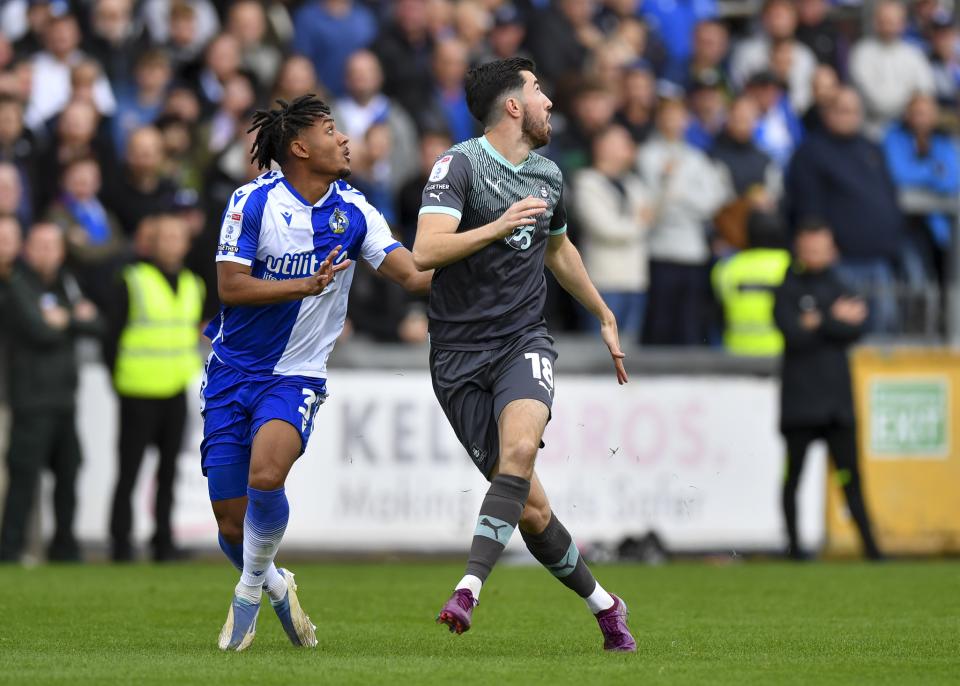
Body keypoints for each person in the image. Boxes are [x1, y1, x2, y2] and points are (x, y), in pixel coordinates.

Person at [414, 57, 635, 652]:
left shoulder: (549, 175)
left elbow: (558, 251)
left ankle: (468, 588)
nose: (549, 103)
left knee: (518, 448)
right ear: (513, 105)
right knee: (532, 509)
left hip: (521, 341)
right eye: (539, 91)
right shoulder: (456, 165)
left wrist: (603, 313)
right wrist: (497, 225)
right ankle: (607, 606)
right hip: (457, 354)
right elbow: (425, 251)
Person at [204, 94, 431, 651]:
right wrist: (300, 286)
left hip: (297, 375)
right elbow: (230, 286)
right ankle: (278, 584)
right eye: (333, 130)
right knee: (231, 524)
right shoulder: (251, 201)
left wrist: (490, 242)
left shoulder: (355, 211)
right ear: (301, 147)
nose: (346, 139)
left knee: (266, 474)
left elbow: (414, 276)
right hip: (232, 372)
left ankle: (249, 593)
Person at [773, 220, 883, 561]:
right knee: (795, 477)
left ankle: (872, 550)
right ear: (798, 248)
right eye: (808, 248)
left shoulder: (842, 284)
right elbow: (793, 333)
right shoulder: (787, 287)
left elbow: (858, 328)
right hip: (800, 402)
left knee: (850, 476)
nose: (814, 255)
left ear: (831, 249)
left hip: (837, 403)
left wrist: (817, 321)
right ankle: (793, 548)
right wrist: (833, 319)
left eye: (819, 248)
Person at [0, 223, 102, 563]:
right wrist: (72, 321)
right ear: (27, 249)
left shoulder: (66, 284)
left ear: (61, 251)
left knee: (69, 472)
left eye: (52, 246)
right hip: (31, 398)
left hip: (63, 398)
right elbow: (38, 330)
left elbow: (97, 325)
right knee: (24, 478)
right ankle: (10, 550)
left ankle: (65, 548)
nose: (46, 252)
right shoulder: (17, 284)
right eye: (39, 245)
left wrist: (67, 319)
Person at [107, 214, 204, 562]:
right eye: (165, 237)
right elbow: (111, 337)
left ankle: (163, 541)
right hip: (138, 389)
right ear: (151, 242)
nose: (172, 243)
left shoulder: (194, 283)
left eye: (178, 237)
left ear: (186, 244)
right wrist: (118, 379)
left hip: (175, 388)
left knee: (168, 471)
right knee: (129, 470)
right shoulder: (132, 280)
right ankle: (120, 543)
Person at [573, 124, 652, 337]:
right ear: (601, 146)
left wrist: (639, 222)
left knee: (630, 353)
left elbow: (649, 216)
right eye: (621, 142)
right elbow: (605, 229)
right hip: (603, 283)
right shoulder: (586, 182)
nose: (629, 147)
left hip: (635, 281)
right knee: (600, 352)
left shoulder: (634, 183)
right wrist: (639, 223)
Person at [712, 216, 790, 356]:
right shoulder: (792, 266)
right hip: (783, 352)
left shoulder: (727, 267)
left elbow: (718, 308)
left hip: (737, 352)